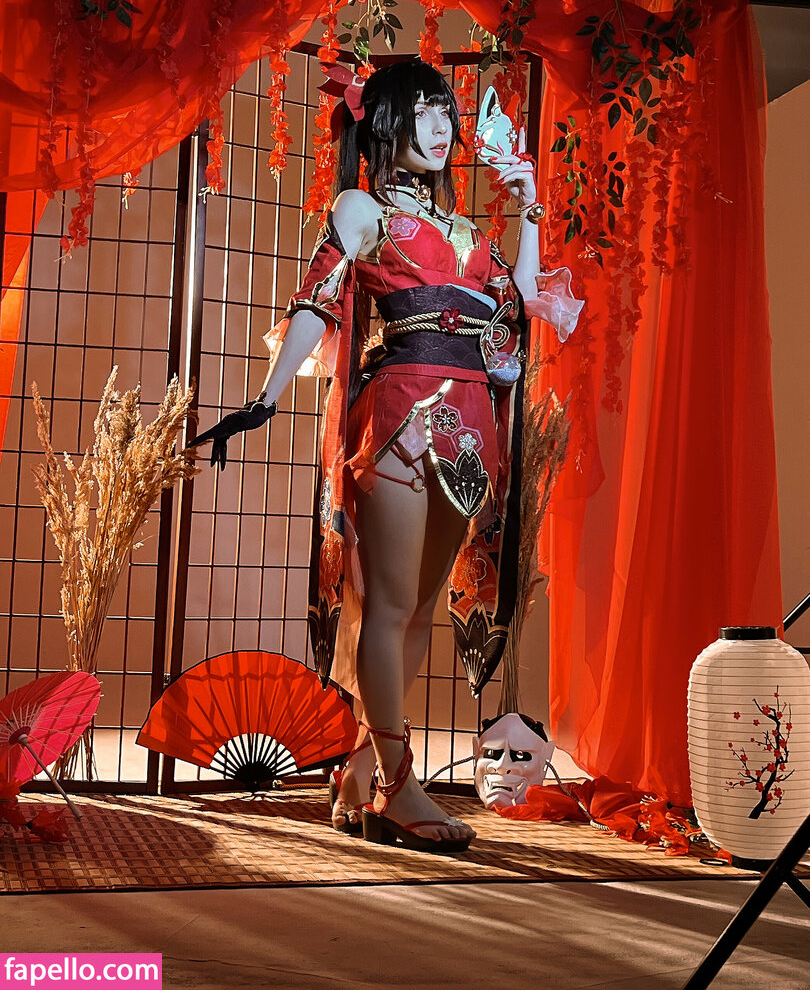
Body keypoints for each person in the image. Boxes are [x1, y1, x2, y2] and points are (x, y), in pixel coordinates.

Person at [190, 58, 582, 854]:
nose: (441, 127)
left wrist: (531, 208)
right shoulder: (361, 207)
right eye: (424, 110)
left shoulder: (466, 231)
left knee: (417, 608)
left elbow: (519, 303)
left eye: (446, 112)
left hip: (471, 424)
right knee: (389, 605)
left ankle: (361, 774)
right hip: (401, 414)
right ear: (384, 123)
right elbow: (318, 298)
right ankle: (400, 787)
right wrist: (265, 397)